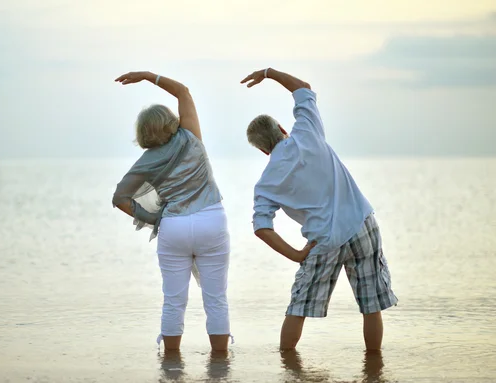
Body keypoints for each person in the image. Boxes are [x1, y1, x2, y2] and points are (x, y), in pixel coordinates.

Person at [240, 67, 398, 351]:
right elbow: (302, 87)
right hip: (362, 224)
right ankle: (374, 370)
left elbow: (262, 228)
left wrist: (297, 255)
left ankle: (287, 367)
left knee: (298, 307)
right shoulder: (307, 131)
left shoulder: (266, 184)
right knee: (371, 304)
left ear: (263, 150)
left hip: (322, 242)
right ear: (281, 129)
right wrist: (268, 73)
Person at [112, 71, 231, 352]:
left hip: (173, 227)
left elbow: (120, 198)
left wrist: (154, 218)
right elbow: (183, 92)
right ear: (171, 123)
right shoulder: (191, 138)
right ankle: (220, 362)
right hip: (211, 220)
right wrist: (147, 76)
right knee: (216, 299)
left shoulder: (146, 161)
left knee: (173, 301)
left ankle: (171, 364)